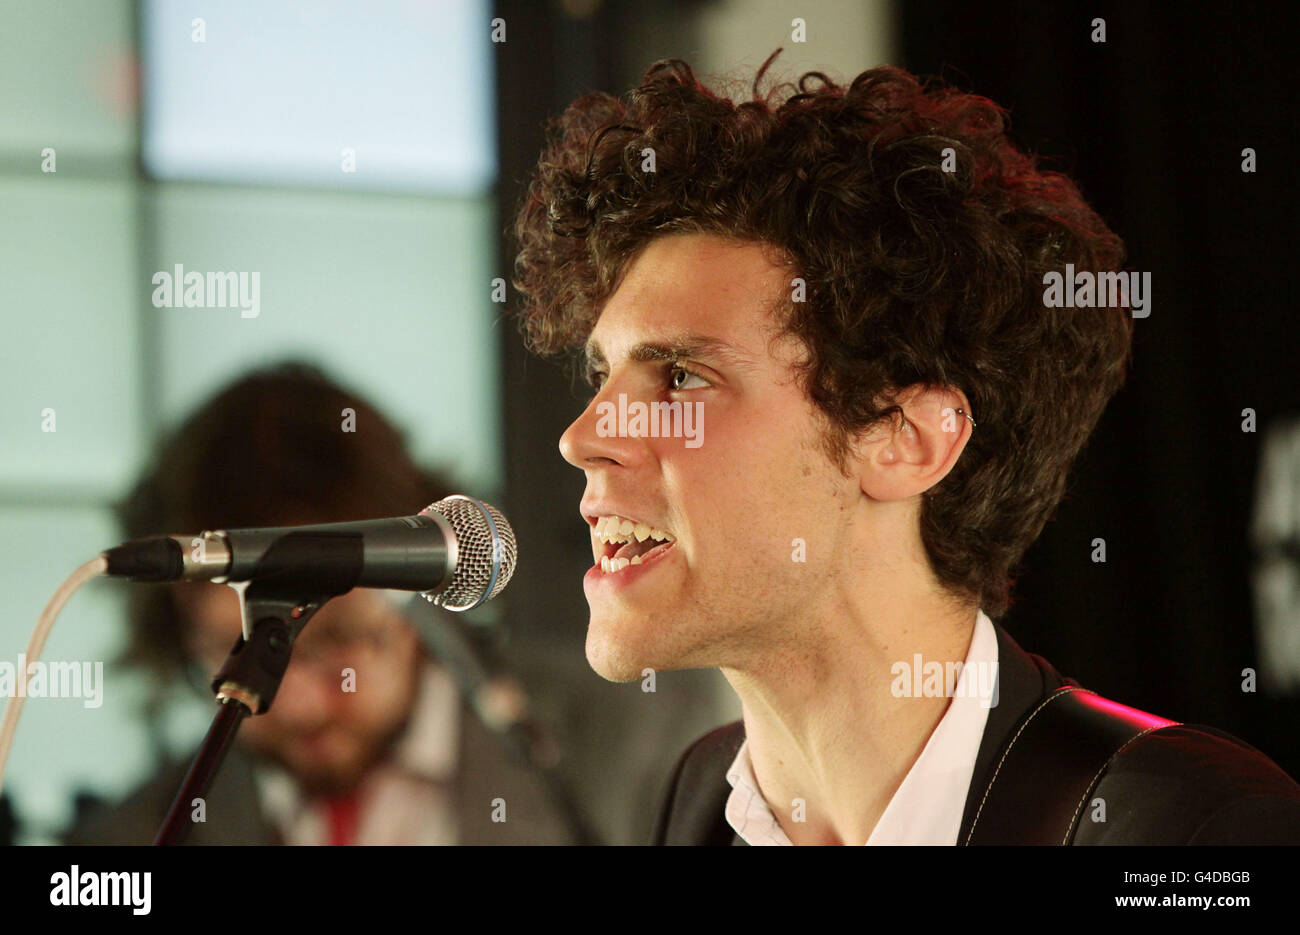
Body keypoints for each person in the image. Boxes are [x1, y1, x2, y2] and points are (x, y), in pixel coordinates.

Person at [509, 53, 1300, 844]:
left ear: (908, 440)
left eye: (681, 376)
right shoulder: (697, 805)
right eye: (603, 373)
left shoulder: (1188, 829)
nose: (582, 438)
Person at [65, 362, 575, 845]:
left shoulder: (626, 762)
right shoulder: (134, 838)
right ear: (179, 636)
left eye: (338, 636)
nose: (303, 705)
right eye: (243, 642)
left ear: (423, 589)